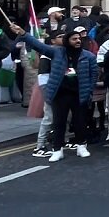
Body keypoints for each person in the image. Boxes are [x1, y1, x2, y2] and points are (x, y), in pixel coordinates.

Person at [13, 24, 98, 162]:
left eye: (78, 39)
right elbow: (38, 46)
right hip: (60, 93)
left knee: (80, 121)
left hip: (79, 93)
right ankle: (57, 150)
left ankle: (81, 146)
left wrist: (89, 90)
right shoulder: (57, 52)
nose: (77, 41)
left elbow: (93, 75)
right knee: (59, 122)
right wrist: (23, 34)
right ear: (67, 41)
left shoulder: (88, 56)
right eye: (74, 39)